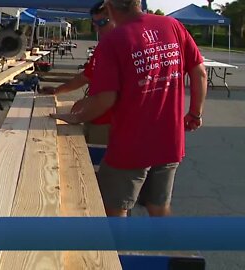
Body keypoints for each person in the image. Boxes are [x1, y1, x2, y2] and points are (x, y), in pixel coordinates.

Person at [50, 0, 208, 217]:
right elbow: (200, 72)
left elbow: (106, 99)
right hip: (170, 139)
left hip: (130, 144)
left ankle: (115, 250)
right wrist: (194, 113)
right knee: (158, 206)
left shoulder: (113, 40)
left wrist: (76, 117)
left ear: (109, 6)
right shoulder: (172, 25)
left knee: (115, 210)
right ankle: (170, 246)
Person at [40, 1, 115, 144]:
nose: (98, 28)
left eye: (103, 22)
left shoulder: (121, 47)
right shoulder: (104, 47)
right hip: (95, 116)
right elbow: (86, 77)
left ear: (116, 17)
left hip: (109, 121)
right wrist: (57, 90)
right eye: (95, 23)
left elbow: (118, 93)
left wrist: (88, 104)